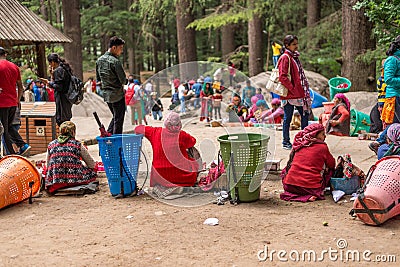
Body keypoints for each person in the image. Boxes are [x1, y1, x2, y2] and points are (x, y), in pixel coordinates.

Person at [134, 112, 198, 187]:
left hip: (159, 176)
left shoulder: (155, 132)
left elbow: (137, 129)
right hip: (182, 176)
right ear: (179, 124)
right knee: (192, 153)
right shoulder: (182, 135)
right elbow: (193, 141)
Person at [280, 124, 335, 202]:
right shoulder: (322, 147)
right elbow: (332, 164)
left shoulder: (299, 144)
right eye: (323, 134)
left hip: (289, 186)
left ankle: (296, 195)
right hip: (309, 188)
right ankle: (307, 196)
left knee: (287, 169)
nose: (325, 136)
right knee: (330, 171)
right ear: (315, 135)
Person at [279, 35, 311, 150]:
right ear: (287, 45)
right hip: (290, 94)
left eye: (297, 44)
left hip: (299, 93)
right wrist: (292, 88)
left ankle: (303, 140)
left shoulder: (295, 57)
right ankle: (286, 142)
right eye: (294, 44)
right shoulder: (285, 57)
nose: (296, 46)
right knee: (288, 117)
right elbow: (282, 76)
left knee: (305, 115)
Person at [45, 121, 97, 193]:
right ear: (73, 132)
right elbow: (91, 164)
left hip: (55, 182)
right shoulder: (77, 144)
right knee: (92, 171)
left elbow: (48, 166)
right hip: (75, 180)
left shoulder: (51, 144)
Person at [0, 46, 30, 155]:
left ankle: (12, 154)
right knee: (9, 127)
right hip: (13, 102)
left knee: (4, 131)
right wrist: (17, 100)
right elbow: (20, 87)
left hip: (2, 103)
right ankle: (23, 145)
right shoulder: (14, 67)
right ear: (5, 55)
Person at [96, 36, 127, 134]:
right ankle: (116, 141)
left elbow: (98, 79)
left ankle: (108, 135)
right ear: (114, 48)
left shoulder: (99, 61)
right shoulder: (115, 61)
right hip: (117, 95)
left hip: (106, 95)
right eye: (120, 48)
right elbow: (123, 80)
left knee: (115, 117)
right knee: (119, 119)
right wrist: (126, 81)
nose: (121, 51)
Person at [40, 53, 73, 126]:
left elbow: (59, 87)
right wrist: (52, 75)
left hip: (62, 100)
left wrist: (48, 83)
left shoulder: (58, 70)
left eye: (50, 63)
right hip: (67, 99)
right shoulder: (64, 68)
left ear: (52, 62)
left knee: (61, 121)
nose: (50, 65)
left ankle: (65, 137)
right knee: (67, 121)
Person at [381, 35, 400, 126]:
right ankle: (381, 140)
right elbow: (388, 79)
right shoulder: (392, 60)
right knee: (395, 124)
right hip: (394, 97)